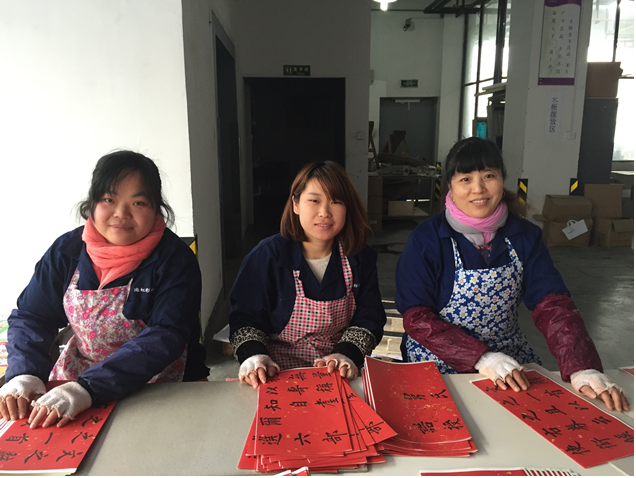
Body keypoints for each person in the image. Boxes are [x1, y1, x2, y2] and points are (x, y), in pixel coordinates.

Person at [396, 137, 629, 412]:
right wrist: (481, 358)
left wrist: (582, 367)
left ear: (502, 179)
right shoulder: (427, 239)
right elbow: (416, 317)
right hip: (438, 354)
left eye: (489, 176)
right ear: (450, 185)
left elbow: (552, 302)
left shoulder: (524, 235)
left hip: (508, 356)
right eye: (465, 179)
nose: (478, 189)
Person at [0, 150, 209, 428]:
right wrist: (25, 373)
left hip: (156, 384)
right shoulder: (67, 251)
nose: (121, 214)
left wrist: (88, 388)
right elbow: (33, 316)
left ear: (156, 208)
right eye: (109, 199)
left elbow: (166, 334)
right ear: (92, 203)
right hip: (72, 387)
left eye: (138, 202)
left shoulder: (175, 259)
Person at [229, 161, 386, 388]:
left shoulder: (360, 258)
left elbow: (369, 317)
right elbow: (245, 318)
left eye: (336, 202)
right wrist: (254, 356)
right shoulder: (266, 257)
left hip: (337, 372)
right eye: (314, 201)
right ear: (296, 205)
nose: (325, 213)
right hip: (275, 372)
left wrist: (347, 354)